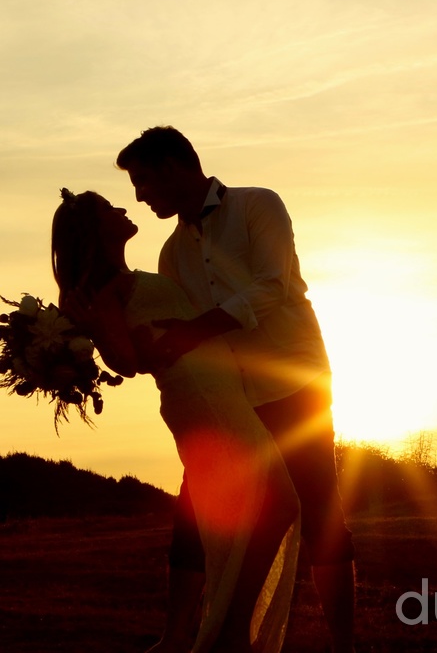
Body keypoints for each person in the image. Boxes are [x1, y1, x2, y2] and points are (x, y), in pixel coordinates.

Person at [116, 126, 357, 653]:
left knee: (319, 509)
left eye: (142, 181)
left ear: (174, 166)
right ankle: (174, 636)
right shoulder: (171, 254)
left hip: (294, 380)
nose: (138, 195)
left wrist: (197, 330)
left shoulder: (258, 206)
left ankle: (345, 646)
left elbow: (272, 285)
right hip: (228, 399)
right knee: (195, 509)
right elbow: (175, 329)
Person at [52, 190, 301, 653]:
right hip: (198, 392)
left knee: (260, 506)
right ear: (94, 228)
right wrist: (112, 334)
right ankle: (229, 633)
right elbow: (126, 360)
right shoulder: (105, 288)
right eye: (110, 209)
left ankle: (227, 631)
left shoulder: (128, 276)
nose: (124, 209)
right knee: (278, 501)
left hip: (217, 388)